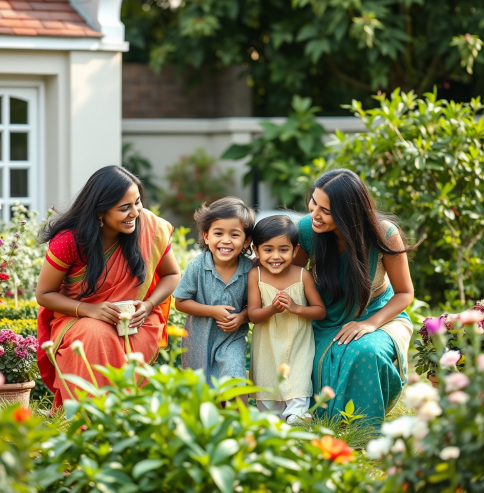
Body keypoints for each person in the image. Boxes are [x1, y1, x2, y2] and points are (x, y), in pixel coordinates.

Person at [36, 166, 180, 407]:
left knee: (128, 339)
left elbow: (172, 274)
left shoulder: (149, 228)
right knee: (96, 335)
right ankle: (91, 420)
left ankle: (130, 420)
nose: (135, 213)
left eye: (137, 203)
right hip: (78, 316)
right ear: (100, 212)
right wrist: (90, 310)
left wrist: (148, 304)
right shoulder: (69, 241)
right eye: (124, 208)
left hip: (136, 318)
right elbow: (44, 294)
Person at [294, 169, 416, 426]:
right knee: (301, 353)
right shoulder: (306, 230)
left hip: (379, 315)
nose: (315, 213)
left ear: (349, 213)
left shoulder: (384, 234)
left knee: (364, 351)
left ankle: (360, 430)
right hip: (322, 316)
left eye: (326, 211)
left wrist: (370, 324)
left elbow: (405, 293)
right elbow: (288, 278)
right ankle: (318, 420)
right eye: (314, 202)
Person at [173, 197, 255, 400]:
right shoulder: (197, 266)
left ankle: (242, 428)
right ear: (206, 236)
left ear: (246, 241)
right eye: (218, 233)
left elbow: (254, 306)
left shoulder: (250, 269)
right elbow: (180, 302)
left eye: (234, 235)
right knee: (200, 390)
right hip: (197, 340)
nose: (226, 240)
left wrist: (242, 317)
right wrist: (212, 310)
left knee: (234, 380)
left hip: (231, 339)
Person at [248, 216, 326, 424]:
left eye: (283, 249)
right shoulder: (255, 275)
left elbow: (320, 311)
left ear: (295, 250)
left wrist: (296, 308)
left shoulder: (303, 276)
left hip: (298, 346)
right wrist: (272, 309)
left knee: (297, 384)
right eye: (268, 249)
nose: (276, 256)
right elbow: (253, 315)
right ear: (256, 251)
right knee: (268, 397)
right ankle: (272, 422)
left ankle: (298, 416)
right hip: (267, 347)